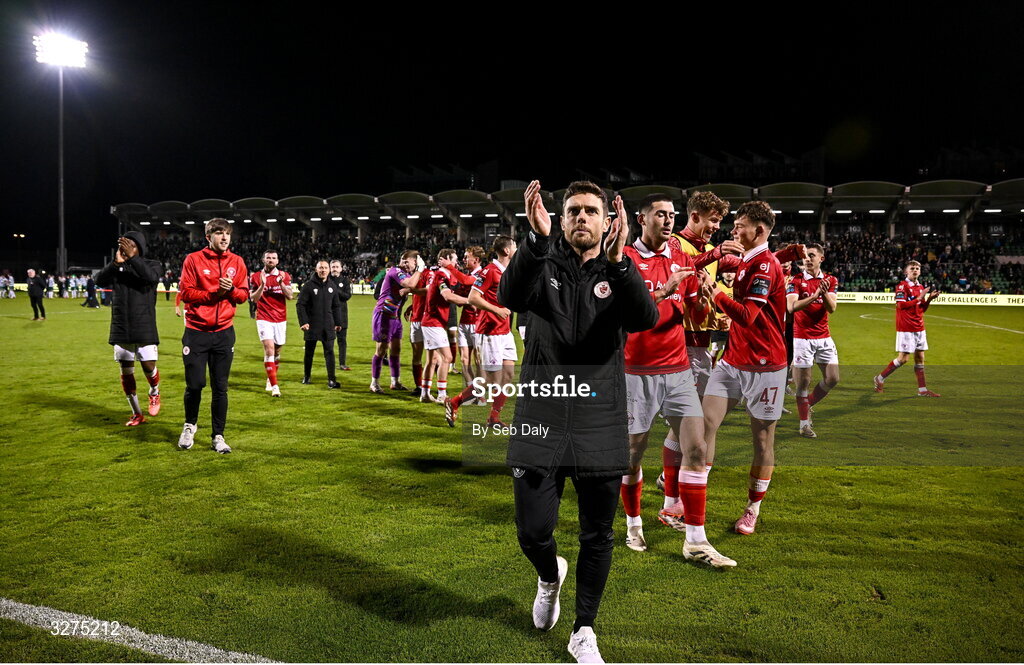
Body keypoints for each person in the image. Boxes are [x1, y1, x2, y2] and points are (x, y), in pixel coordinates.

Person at [499, 181, 659, 663]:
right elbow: (509, 295)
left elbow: (645, 318)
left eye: (591, 211)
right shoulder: (542, 258)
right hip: (540, 413)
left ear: (607, 222)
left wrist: (621, 264)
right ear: (561, 219)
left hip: (599, 418)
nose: (582, 218)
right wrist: (534, 241)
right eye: (573, 211)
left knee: (598, 533)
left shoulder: (618, 267)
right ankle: (550, 576)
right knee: (532, 531)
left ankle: (583, 630)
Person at [611, 194, 735, 567]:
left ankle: (696, 541)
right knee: (632, 455)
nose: (667, 221)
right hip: (636, 372)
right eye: (660, 215)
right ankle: (634, 524)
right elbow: (625, 311)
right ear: (641, 218)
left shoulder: (680, 258)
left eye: (671, 215)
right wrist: (664, 292)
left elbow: (691, 304)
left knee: (696, 449)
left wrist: (702, 303)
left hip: (678, 368)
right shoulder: (624, 262)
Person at [700, 201, 789, 537]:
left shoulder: (765, 266)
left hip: (766, 367)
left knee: (762, 439)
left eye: (740, 226)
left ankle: (752, 509)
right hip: (733, 361)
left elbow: (749, 316)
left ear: (760, 231)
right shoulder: (751, 261)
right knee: (705, 424)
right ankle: (693, 497)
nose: (734, 231)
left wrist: (716, 295)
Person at [176, 218, 249, 454]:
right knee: (195, 385)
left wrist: (231, 291)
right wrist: (214, 293)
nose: (224, 237)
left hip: (224, 333)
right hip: (197, 332)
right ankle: (190, 426)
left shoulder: (237, 262)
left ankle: (218, 436)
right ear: (208, 237)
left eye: (227, 233)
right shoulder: (193, 260)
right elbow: (186, 292)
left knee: (221, 388)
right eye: (219, 233)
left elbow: (244, 295)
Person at [95, 232, 164, 426]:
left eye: (130, 244)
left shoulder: (152, 264)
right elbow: (99, 280)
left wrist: (133, 258)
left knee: (148, 367)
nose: (125, 248)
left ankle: (154, 391)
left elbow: (150, 278)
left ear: (139, 248)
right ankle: (136, 413)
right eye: (123, 245)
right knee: (126, 372)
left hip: (144, 325)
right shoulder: (117, 268)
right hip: (121, 325)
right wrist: (115, 264)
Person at [455, 236, 518, 427]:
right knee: (492, 380)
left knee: (507, 377)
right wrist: (497, 310)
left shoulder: (509, 271)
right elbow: (473, 298)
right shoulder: (489, 271)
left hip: (505, 332)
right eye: (514, 246)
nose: (517, 249)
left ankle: (494, 418)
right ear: (506, 251)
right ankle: (455, 402)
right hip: (490, 332)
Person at [787, 243, 840, 438]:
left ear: (821, 259)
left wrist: (823, 293)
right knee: (803, 383)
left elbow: (832, 308)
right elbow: (791, 307)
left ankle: (807, 404)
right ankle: (804, 425)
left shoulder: (830, 280)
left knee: (833, 379)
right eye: (804, 256)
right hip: (802, 338)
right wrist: (815, 295)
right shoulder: (795, 280)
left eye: (811, 255)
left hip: (824, 337)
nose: (807, 259)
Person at [873, 260, 941, 396]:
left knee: (920, 358)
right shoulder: (902, 287)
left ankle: (922, 390)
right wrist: (919, 297)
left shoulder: (921, 287)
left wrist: (928, 300)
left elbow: (921, 309)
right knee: (903, 359)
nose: (915, 270)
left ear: (920, 271)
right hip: (906, 328)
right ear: (906, 271)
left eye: (917, 268)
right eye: (912, 268)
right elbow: (901, 306)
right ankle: (879, 378)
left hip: (919, 327)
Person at [419, 249, 474, 404]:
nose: (456, 262)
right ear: (446, 259)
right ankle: (442, 394)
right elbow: (447, 296)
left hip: (432, 322)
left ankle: (425, 393)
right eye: (454, 259)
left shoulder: (446, 275)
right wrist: (470, 301)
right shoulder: (441, 276)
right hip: (433, 323)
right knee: (448, 357)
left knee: (432, 359)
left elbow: (463, 282)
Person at [370, 250, 423, 393]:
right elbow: (411, 284)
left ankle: (395, 382)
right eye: (414, 264)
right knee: (381, 349)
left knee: (396, 350)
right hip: (384, 315)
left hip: (395, 316)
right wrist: (420, 270)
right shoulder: (395, 271)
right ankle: (374, 383)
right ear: (406, 261)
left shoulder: (405, 274)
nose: (414, 267)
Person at [250, 249, 294, 398]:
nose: (271, 260)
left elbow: (290, 296)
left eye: (273, 258)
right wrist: (262, 285)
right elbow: (253, 299)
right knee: (269, 349)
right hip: (263, 317)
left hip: (280, 318)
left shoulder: (284, 275)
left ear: (277, 261)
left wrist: (281, 283)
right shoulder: (256, 277)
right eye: (268, 258)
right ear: (263, 260)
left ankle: (270, 377)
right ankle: (275, 386)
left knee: (277, 351)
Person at [296, 260, 344, 388]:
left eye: (325, 268)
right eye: (320, 268)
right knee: (309, 352)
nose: (323, 270)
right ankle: (306, 376)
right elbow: (300, 304)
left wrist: (338, 322)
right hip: (312, 325)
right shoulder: (308, 286)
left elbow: (336, 306)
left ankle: (332, 380)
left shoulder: (332, 286)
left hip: (328, 325)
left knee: (329, 352)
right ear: (316, 270)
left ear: (328, 270)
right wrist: (304, 322)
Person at [456, 246, 486, 396]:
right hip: (464, 322)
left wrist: (450, 268)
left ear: (476, 260)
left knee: (478, 360)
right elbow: (461, 302)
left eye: (467, 257)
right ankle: (471, 391)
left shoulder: (481, 274)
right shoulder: (467, 275)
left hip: (477, 323)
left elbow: (467, 282)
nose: (464, 259)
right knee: (464, 359)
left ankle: (479, 391)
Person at [328, 259, 353, 371]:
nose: (334, 269)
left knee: (342, 340)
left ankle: (342, 363)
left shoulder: (345, 281)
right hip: (328, 314)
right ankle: (330, 362)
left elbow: (347, 296)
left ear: (341, 268)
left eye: (336, 267)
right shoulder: (326, 279)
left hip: (342, 315)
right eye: (332, 267)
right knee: (329, 340)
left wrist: (335, 290)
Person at [710, 270, 735, 364]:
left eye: (732, 271)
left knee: (729, 350)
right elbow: (712, 305)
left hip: (732, 323)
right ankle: (711, 369)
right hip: (718, 322)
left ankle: (723, 370)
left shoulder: (738, 286)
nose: (729, 273)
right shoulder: (716, 285)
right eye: (726, 271)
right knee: (715, 348)